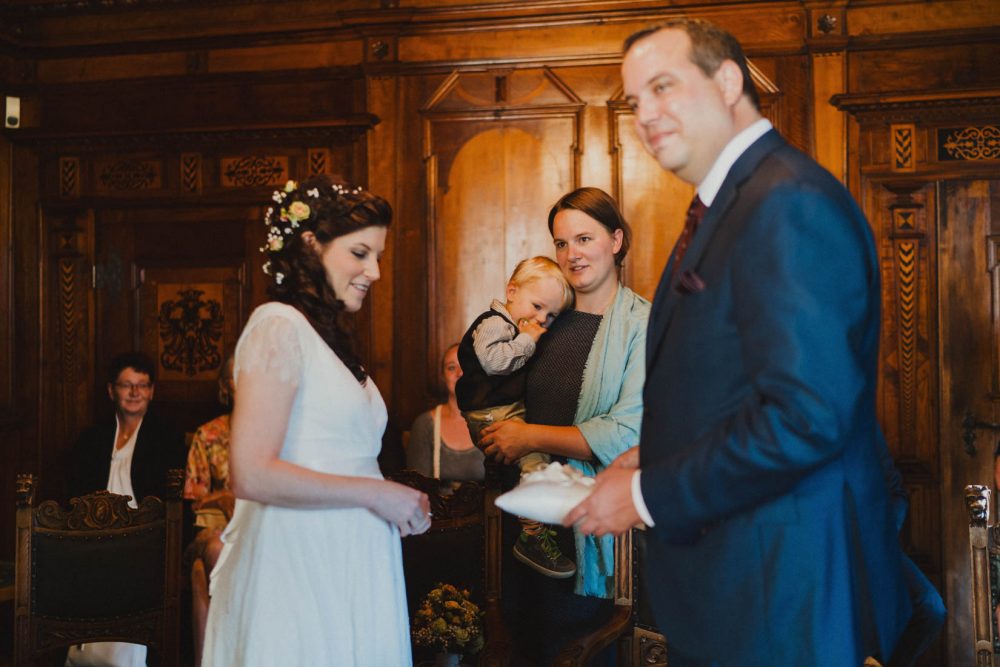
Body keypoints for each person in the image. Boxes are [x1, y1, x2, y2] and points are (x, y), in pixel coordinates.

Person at [565, 19, 918, 666]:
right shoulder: (732, 202)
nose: (646, 114)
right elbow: (740, 386)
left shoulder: (786, 202)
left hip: (783, 584)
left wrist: (647, 495)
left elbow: (807, 416)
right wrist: (651, 454)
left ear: (728, 80)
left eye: (663, 87)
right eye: (635, 100)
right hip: (746, 578)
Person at [202, 176, 430, 666]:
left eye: (379, 256)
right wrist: (377, 493)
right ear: (311, 245)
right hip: (299, 560)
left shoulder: (326, 337)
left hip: (350, 557)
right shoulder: (277, 325)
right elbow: (251, 472)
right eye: (360, 253)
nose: (376, 272)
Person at [479, 186, 649, 665]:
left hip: (593, 528)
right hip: (523, 521)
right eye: (560, 243)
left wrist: (529, 436)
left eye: (584, 238)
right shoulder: (542, 319)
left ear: (616, 240)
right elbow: (495, 388)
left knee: (576, 648)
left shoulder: (641, 325)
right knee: (522, 646)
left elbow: (626, 433)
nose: (571, 254)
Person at [455, 255, 575, 577]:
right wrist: (528, 339)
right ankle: (532, 535)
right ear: (511, 292)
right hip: (491, 412)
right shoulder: (495, 323)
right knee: (534, 456)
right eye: (537, 306)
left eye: (550, 315)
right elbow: (494, 362)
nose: (542, 319)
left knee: (531, 459)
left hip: (501, 409)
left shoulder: (514, 325)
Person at [66, 350, 187, 667]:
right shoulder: (91, 438)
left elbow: (174, 502)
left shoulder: (167, 438)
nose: (135, 392)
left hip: (145, 536)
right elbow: (74, 494)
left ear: (152, 391)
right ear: (111, 391)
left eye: (143, 385)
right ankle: (86, 657)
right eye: (127, 385)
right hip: (94, 534)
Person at [406, 343, 485, 482]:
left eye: (465, 365)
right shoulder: (425, 424)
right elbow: (418, 488)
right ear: (443, 376)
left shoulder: (493, 421)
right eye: (451, 368)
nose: (460, 373)